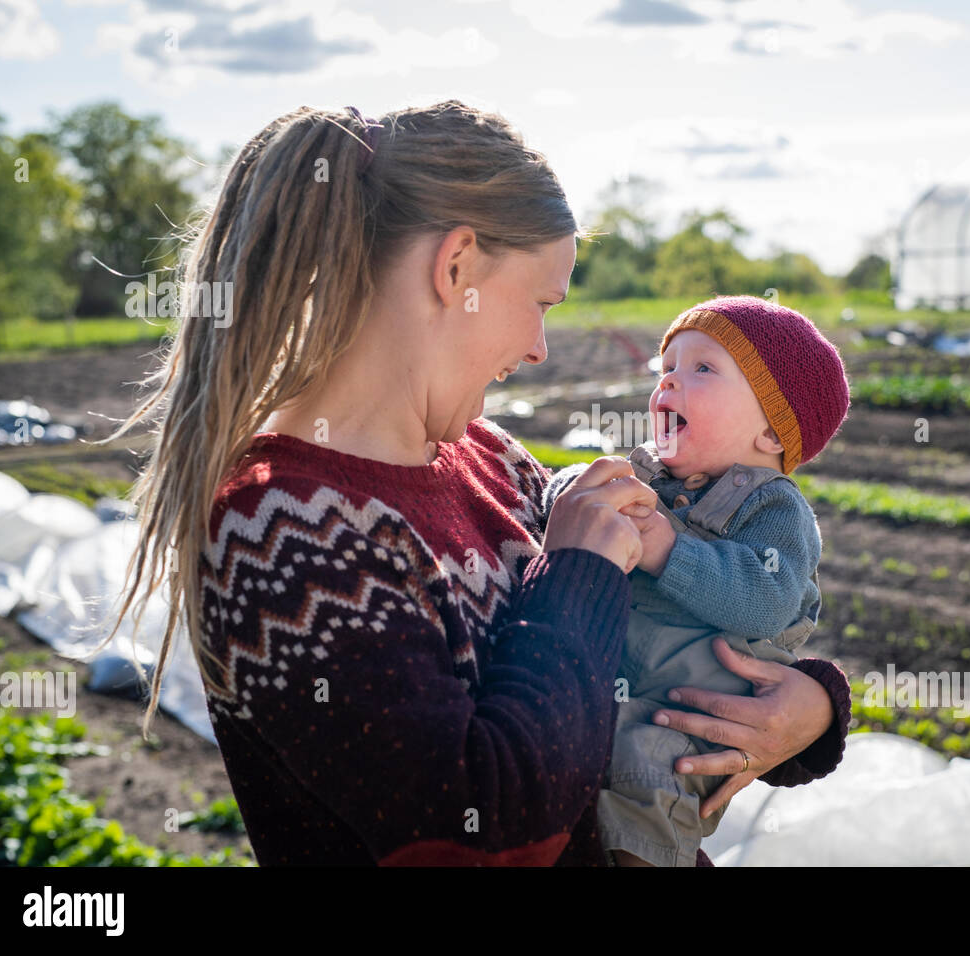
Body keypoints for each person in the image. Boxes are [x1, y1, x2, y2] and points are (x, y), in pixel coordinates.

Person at [102, 100, 852, 866]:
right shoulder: (280, 530)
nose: (538, 348)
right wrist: (581, 572)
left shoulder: (492, 461)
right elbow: (488, 829)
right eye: (539, 304)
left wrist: (810, 708)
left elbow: (652, 654)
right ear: (455, 267)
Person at [542, 295, 850, 865]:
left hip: (695, 722)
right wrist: (570, 492)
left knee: (646, 790)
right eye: (667, 370)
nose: (669, 385)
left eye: (702, 369)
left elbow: (764, 602)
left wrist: (668, 547)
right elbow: (575, 487)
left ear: (771, 433)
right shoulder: (648, 477)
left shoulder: (775, 510)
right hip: (625, 695)